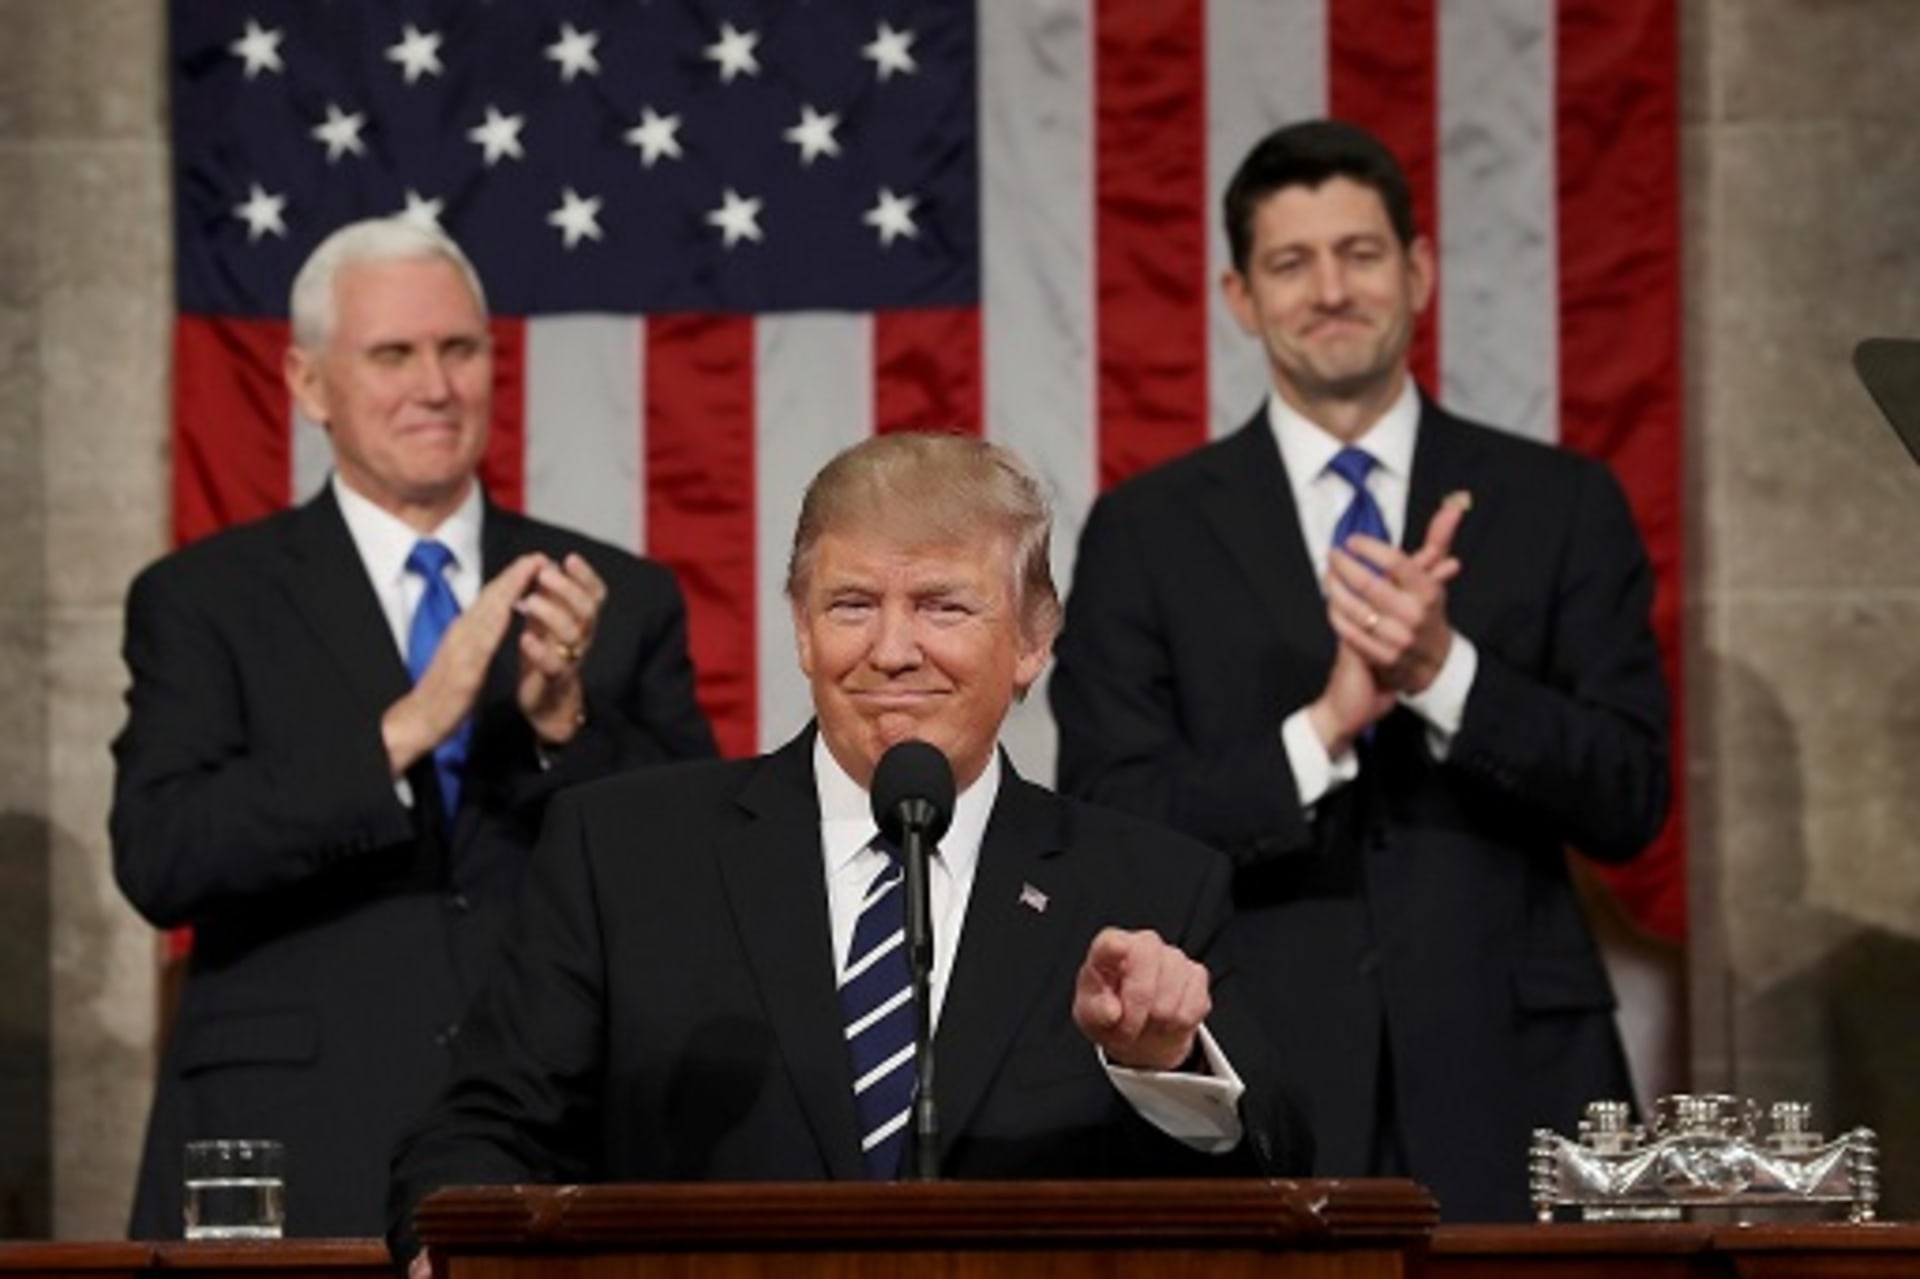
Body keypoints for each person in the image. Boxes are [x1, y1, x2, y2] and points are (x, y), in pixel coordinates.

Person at [386, 432, 1309, 1266]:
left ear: (1033, 641)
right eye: (853, 603)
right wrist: (448, 1251)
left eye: (943, 606)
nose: (892, 649)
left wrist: (1165, 1065)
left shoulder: (1146, 880)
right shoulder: (623, 853)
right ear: (800, 625)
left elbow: (1278, 1173)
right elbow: (480, 1134)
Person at [1048, 120, 1671, 1221]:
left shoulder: (1561, 501)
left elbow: (1629, 796)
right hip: (1261, 1076)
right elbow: (1111, 811)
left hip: (1517, 1083)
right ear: (1240, 296)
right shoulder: (1146, 531)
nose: (1330, 289)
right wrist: (1322, 730)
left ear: (1419, 271)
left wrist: (1445, 672)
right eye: (1292, 262)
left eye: (1361, 253)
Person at [112, 218, 719, 1237]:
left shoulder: (614, 596)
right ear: (309, 385)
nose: (435, 386)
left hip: (551, 1136)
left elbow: (699, 871)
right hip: (294, 1138)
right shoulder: (204, 598)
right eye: (393, 353)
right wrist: (404, 728)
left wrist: (566, 727)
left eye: (460, 349)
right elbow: (162, 854)